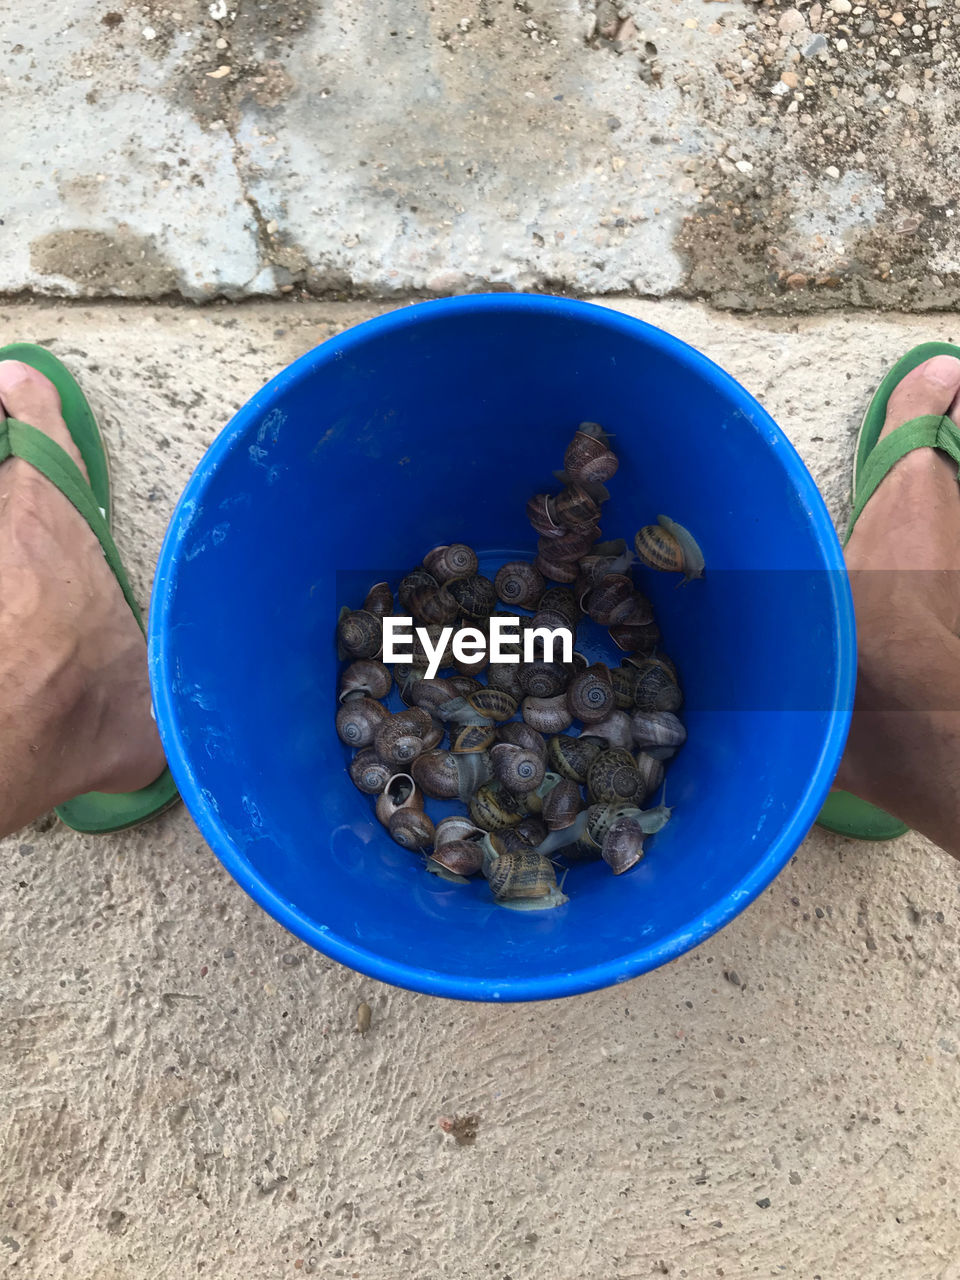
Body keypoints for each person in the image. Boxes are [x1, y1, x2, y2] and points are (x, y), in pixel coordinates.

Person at [2, 346, 960, 856]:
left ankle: (76, 703)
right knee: (913, 684)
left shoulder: (511, 713)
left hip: (495, 700)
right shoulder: (482, 709)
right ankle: (885, 716)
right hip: (488, 698)